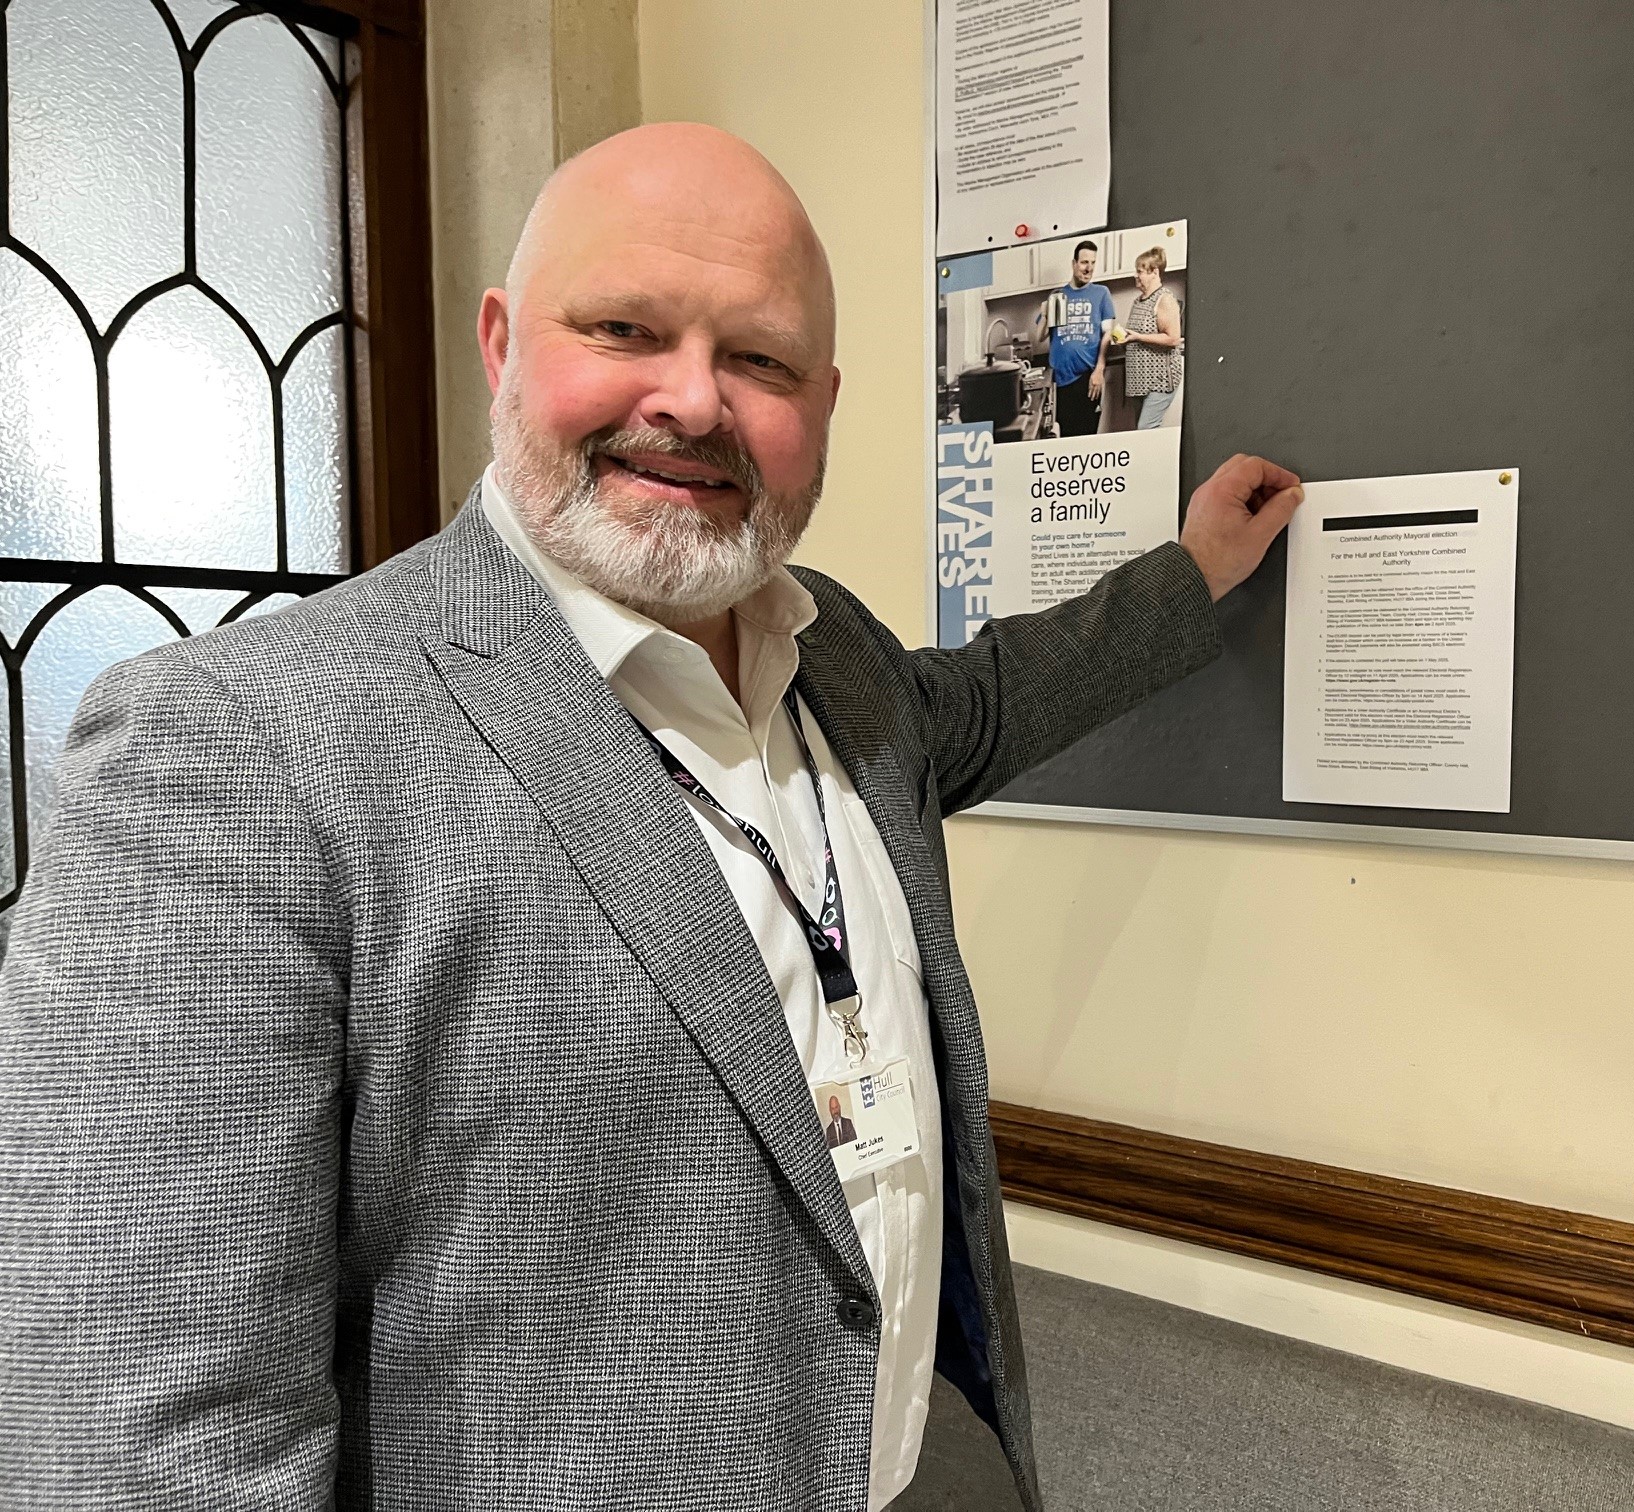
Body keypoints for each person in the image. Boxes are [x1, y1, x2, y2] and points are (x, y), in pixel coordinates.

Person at [0, 123, 1302, 1512]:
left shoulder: (835, 658)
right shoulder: (230, 752)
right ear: (501, 344)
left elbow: (987, 703)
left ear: (829, 400)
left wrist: (1191, 577)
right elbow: (148, 1441)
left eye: (761, 359)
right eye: (624, 328)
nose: (692, 401)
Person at [1042, 240, 1114, 436]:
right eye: (1084, 262)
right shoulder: (1058, 296)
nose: (1088, 268)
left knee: (1087, 437)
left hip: (1088, 378)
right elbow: (1042, 335)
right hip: (1060, 381)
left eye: (1092, 263)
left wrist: (1099, 370)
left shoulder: (1101, 293)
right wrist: (1046, 312)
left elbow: (1108, 332)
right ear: (1074, 263)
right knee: (1065, 438)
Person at [1117, 246, 1183, 429]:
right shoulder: (1138, 301)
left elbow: (1173, 339)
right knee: (1142, 433)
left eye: (1140, 272)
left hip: (1160, 380)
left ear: (1154, 272)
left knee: (1146, 429)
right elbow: (1136, 335)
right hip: (1140, 381)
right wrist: (1125, 339)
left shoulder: (1165, 300)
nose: (1136, 276)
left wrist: (1137, 337)